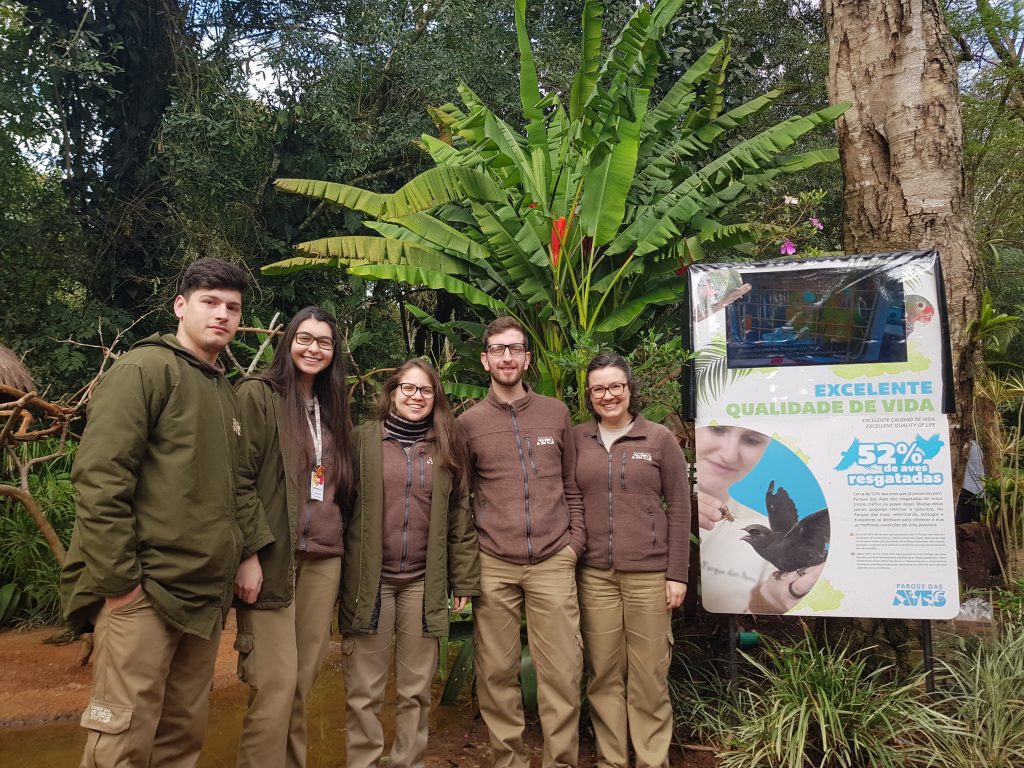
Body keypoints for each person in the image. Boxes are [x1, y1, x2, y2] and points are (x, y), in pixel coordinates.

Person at [60, 258, 273, 768]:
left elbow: (237, 485)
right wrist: (121, 586)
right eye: (210, 302)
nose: (222, 315)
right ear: (181, 305)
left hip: (202, 596)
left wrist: (248, 553)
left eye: (232, 307)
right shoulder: (145, 369)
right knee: (123, 738)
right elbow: (100, 479)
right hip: (146, 592)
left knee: (181, 735)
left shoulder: (223, 386)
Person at [457, 316, 585, 768]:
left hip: (553, 557)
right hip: (494, 562)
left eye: (515, 349)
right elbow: (461, 498)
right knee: (495, 673)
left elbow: (572, 484)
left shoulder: (556, 413)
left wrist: (574, 544)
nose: (507, 357)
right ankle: (507, 761)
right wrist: (467, 563)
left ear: (527, 357)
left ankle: (560, 761)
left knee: (563, 673)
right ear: (485, 359)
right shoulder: (468, 424)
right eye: (498, 350)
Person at [340, 358, 480, 768]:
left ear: (436, 398)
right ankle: (363, 761)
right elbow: (341, 508)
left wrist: (465, 580)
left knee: (415, 690)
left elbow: (460, 516)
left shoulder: (447, 446)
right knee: (364, 690)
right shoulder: (361, 441)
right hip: (370, 582)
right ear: (392, 393)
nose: (417, 397)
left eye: (426, 390)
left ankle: (407, 761)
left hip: (424, 581)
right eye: (409, 388)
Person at [233, 307, 354, 768]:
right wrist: (248, 553)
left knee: (301, 684)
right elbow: (237, 479)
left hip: (324, 558)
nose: (313, 349)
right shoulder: (258, 396)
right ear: (288, 341)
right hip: (272, 558)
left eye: (324, 342)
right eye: (305, 338)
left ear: (334, 352)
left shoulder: (333, 409)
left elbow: (341, 490)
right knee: (274, 684)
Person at [573, 353, 690, 768]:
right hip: (594, 577)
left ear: (629, 389)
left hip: (649, 575)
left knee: (649, 676)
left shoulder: (658, 439)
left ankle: (651, 759)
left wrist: (677, 573)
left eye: (615, 386)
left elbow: (679, 506)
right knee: (602, 674)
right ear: (589, 395)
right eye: (599, 388)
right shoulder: (577, 440)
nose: (608, 395)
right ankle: (611, 760)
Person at [696, 425, 824, 613]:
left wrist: (769, 599)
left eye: (752, 440)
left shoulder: (760, 524)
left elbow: (754, 616)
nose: (729, 455)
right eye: (717, 429)